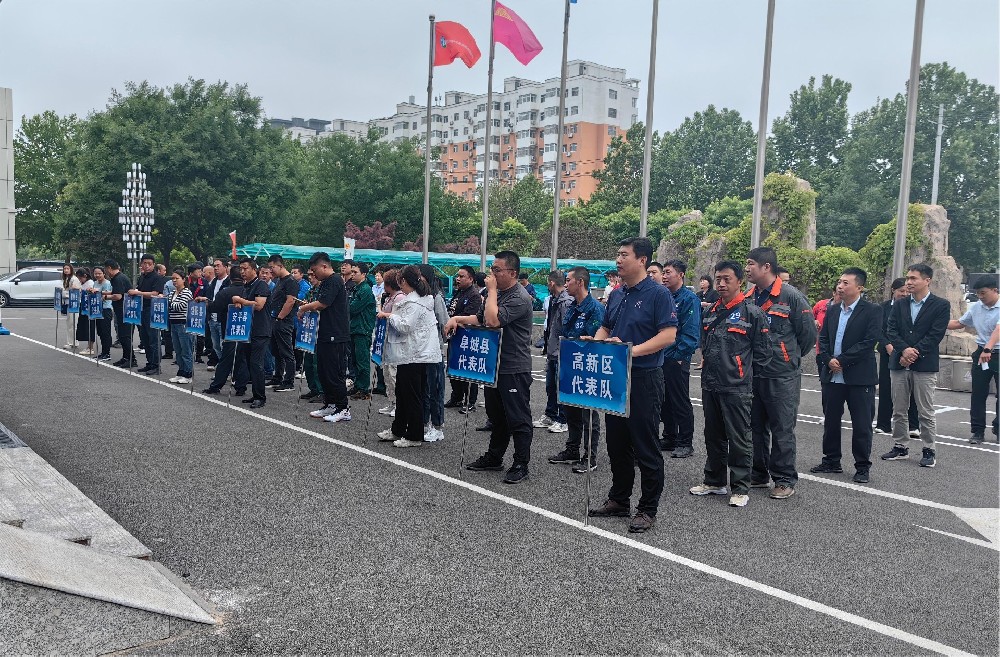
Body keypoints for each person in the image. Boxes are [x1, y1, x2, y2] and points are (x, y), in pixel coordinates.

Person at [587, 237, 678, 534]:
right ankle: (619, 499)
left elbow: (668, 336)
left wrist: (629, 352)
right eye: (617, 254)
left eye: (624, 255)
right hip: (616, 377)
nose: (618, 260)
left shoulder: (658, 294)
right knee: (617, 444)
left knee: (645, 446)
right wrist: (597, 343)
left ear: (642, 260)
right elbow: (606, 327)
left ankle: (648, 509)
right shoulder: (617, 294)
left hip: (643, 378)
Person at [445, 251, 534, 484]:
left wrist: (492, 291)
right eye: (492, 269)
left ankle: (521, 463)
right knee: (497, 416)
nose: (491, 275)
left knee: (518, 418)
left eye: (497, 270)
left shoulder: (519, 297)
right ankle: (494, 457)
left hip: (513, 367)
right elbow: (480, 318)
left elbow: (494, 321)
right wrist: (458, 319)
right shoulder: (496, 294)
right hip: (493, 365)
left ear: (512, 273)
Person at [689, 260, 771, 508]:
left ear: (739, 282)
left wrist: (743, 374)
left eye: (727, 279)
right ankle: (714, 481)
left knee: (739, 438)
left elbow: (764, 354)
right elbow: (705, 344)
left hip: (737, 386)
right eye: (718, 279)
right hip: (710, 384)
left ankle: (740, 487)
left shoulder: (752, 313)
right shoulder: (710, 312)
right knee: (713, 435)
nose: (722, 284)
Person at [745, 246, 816, 499]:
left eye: (751, 263)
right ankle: (758, 473)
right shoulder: (749, 297)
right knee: (754, 427)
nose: (746, 268)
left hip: (782, 375)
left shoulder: (791, 297)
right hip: (754, 373)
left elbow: (807, 336)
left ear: (766, 267)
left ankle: (784, 479)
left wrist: (787, 357)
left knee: (782, 428)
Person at [811, 268, 882, 484]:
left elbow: (869, 342)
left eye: (845, 283)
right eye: (839, 282)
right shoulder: (832, 310)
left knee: (861, 424)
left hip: (859, 377)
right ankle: (831, 460)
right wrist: (828, 359)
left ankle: (862, 466)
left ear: (859, 287)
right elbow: (823, 338)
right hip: (832, 376)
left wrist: (841, 360)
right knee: (831, 421)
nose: (840, 286)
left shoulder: (872, 311)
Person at [882, 263, 951, 468]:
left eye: (913, 278)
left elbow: (935, 334)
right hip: (899, 362)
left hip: (924, 364)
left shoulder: (941, 305)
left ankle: (929, 449)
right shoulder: (900, 304)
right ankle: (900, 446)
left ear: (927, 280)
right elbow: (891, 330)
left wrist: (913, 353)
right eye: (907, 278)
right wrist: (904, 350)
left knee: (925, 410)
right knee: (899, 409)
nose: (909, 282)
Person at [376, 266, 443, 447]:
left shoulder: (415, 302)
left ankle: (414, 435)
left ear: (403, 281)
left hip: (415, 354)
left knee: (412, 395)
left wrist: (389, 316)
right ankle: (398, 429)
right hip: (412, 353)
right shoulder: (419, 299)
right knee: (403, 393)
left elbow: (406, 326)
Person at [549, 266, 605, 473]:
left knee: (588, 414)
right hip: (569, 362)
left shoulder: (595, 308)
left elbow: (596, 339)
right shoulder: (572, 306)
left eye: (569, 280)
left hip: (587, 366)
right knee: (570, 409)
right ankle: (572, 449)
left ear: (580, 282)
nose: (566, 284)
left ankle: (590, 456)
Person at [947, 275, 999, 444]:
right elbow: (959, 323)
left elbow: (998, 330)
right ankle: (977, 431)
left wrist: (988, 348)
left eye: (983, 293)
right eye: (978, 294)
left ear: (995, 290)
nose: (980, 297)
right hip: (981, 354)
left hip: (995, 353)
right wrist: (936, 322)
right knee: (978, 394)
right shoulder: (977, 307)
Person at [301, 252, 352, 424]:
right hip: (323, 333)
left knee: (334, 373)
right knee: (323, 372)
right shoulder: (325, 282)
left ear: (324, 266)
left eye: (315, 270)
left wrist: (303, 308)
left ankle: (343, 408)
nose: (314, 274)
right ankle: (330, 404)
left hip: (335, 334)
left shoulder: (334, 280)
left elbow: (322, 303)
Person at [660, 259, 701, 458]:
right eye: (663, 273)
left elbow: (691, 332)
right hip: (661, 355)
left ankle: (685, 442)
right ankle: (670, 437)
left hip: (677, 357)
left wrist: (679, 356)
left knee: (680, 400)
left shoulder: (689, 299)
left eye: (668, 272)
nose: (664, 276)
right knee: (665, 399)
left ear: (681, 275)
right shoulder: (664, 297)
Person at [875, 278, 920, 436]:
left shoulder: (913, 306)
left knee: (912, 389)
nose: (905, 294)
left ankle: (914, 425)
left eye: (907, 291)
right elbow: (878, 329)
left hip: (909, 353)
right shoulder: (882, 308)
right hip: (888, 352)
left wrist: (905, 350)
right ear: (893, 290)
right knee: (886, 387)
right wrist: (887, 345)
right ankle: (883, 423)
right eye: (901, 291)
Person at [230, 259, 272, 409]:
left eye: (245, 268)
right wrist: (238, 303)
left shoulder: (261, 284)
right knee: (249, 363)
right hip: (248, 330)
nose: (242, 271)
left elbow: (259, 305)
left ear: (254, 270)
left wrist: (240, 300)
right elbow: (245, 304)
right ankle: (255, 394)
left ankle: (260, 397)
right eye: (241, 269)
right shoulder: (246, 286)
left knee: (256, 364)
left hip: (260, 331)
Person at [534, 271, 572, 434]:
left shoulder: (566, 301)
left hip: (560, 350)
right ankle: (550, 414)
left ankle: (563, 419)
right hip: (552, 349)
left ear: (551, 283)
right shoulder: (554, 299)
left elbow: (565, 328)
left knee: (559, 385)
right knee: (550, 386)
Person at [202, 269, 249, 395]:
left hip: (229, 329)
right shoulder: (248, 291)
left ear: (230, 277)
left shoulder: (225, 292)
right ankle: (241, 387)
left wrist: (207, 303)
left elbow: (215, 307)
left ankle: (216, 385)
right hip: (246, 329)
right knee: (242, 358)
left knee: (226, 359)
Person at [444, 266, 484, 412]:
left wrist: (455, 320)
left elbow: (470, 317)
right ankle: (456, 397)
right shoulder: (459, 292)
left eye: (462, 276)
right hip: (455, 337)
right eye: (458, 276)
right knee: (453, 367)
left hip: (468, 338)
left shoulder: (474, 295)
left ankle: (470, 401)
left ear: (471, 279)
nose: (458, 279)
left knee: (468, 370)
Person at [418, 264, 449, 441]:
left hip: (434, 352)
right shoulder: (418, 297)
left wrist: (440, 343)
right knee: (423, 389)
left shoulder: (436, 298)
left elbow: (445, 324)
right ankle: (424, 423)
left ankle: (437, 427)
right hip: (419, 351)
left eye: (419, 276)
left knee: (435, 389)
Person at [261, 255, 298, 393]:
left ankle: (289, 381)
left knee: (286, 351)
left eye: (272, 267)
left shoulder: (290, 281)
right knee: (277, 351)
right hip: (274, 319)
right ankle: (277, 377)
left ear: (280, 266)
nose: (271, 271)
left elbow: (290, 301)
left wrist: (280, 318)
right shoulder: (279, 281)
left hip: (284, 321)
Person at [129, 254, 167, 375]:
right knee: (144, 338)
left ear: (153, 265)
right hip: (141, 309)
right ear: (141, 264)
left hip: (152, 309)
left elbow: (155, 294)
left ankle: (156, 365)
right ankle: (150, 362)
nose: (147, 266)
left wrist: (138, 293)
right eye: (144, 263)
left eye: (149, 264)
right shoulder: (142, 277)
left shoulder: (157, 278)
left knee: (153, 339)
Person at [376, 270, 405, 417]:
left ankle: (398, 404)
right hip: (387, 340)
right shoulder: (389, 297)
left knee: (394, 374)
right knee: (387, 373)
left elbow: (399, 318)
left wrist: (384, 314)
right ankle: (391, 401)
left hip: (396, 341)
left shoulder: (399, 297)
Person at [104, 260, 136, 368]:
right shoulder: (117, 278)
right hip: (121, 311)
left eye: (105, 269)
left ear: (109, 268)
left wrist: (104, 297)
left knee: (125, 336)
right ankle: (126, 357)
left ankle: (131, 359)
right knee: (122, 336)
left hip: (125, 311)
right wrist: (101, 292)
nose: (105, 272)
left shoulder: (118, 278)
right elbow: (115, 292)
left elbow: (118, 296)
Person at [201, 259, 231, 371]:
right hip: (212, 318)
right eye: (214, 266)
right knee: (216, 346)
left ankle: (224, 370)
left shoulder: (229, 282)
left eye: (218, 265)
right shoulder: (213, 282)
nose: (216, 268)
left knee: (224, 346)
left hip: (223, 318)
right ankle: (223, 369)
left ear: (225, 267)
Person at [165, 268, 194, 384]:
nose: (174, 280)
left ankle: (188, 374)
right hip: (173, 323)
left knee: (186, 350)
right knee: (178, 350)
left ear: (183, 279)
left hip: (183, 324)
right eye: (173, 278)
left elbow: (180, 306)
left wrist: (170, 304)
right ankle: (181, 372)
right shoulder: (172, 292)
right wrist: (170, 304)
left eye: (177, 278)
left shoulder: (186, 292)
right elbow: (169, 305)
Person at [90, 266, 114, 361]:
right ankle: (103, 352)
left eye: (99, 273)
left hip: (106, 309)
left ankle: (107, 353)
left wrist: (98, 291)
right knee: (100, 332)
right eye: (95, 273)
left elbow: (108, 293)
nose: (97, 275)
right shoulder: (95, 283)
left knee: (105, 332)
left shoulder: (107, 283)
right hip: (97, 309)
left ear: (104, 273)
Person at [75, 268, 95, 354]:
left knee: (90, 328)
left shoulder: (90, 283)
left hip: (89, 309)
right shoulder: (83, 283)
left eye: (80, 278)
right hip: (83, 308)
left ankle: (90, 348)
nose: (80, 280)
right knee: (86, 328)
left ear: (85, 276)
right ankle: (88, 347)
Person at [60, 263, 81, 350]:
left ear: (71, 269)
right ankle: (72, 342)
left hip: (74, 303)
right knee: (69, 323)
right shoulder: (66, 279)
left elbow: (75, 292)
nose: (66, 270)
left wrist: (64, 293)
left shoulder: (74, 279)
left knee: (72, 323)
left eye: (67, 269)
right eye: (64, 269)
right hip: (68, 303)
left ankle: (72, 342)